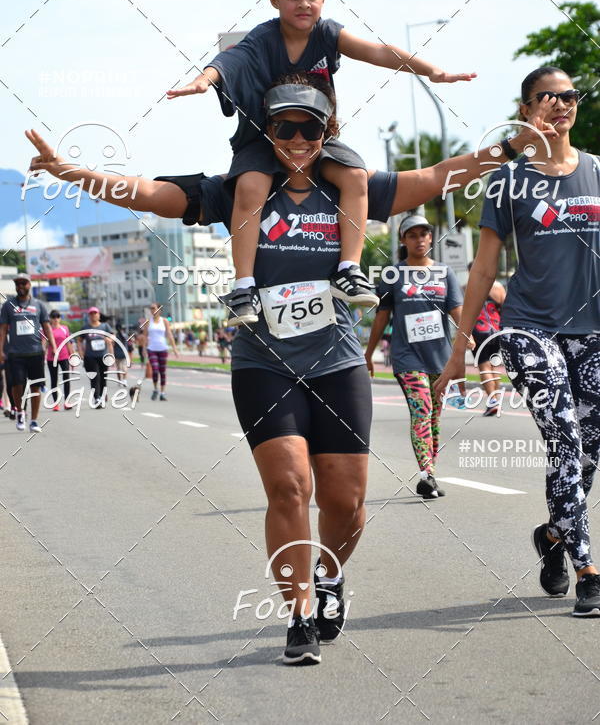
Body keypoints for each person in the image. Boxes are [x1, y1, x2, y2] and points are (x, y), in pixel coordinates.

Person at [26, 74, 553, 661]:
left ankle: (328, 576)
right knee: (288, 487)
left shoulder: (353, 188)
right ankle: (299, 612)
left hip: (336, 362)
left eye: (310, 127)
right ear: (267, 130)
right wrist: (69, 172)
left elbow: (435, 177)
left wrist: (508, 148)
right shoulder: (238, 190)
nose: (298, 139)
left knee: (347, 501)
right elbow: (149, 193)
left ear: (327, 131)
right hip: (263, 362)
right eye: (285, 127)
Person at [167, 0, 476, 325]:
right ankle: (244, 286)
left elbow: (378, 51)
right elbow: (227, 63)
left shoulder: (327, 33)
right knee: (250, 188)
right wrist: (205, 80)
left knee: (355, 176)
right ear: (274, 0)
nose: (303, 3)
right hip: (266, 139)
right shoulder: (262, 39)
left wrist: (432, 70)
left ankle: (348, 269)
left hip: (315, 136)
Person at [435, 67, 600, 617]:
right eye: (548, 98)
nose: (561, 105)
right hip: (530, 328)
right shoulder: (508, 182)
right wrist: (460, 349)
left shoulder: (599, 172)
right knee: (565, 439)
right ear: (527, 108)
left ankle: (554, 536)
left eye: (569, 97)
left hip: (592, 332)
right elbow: (484, 270)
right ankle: (588, 572)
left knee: (588, 453)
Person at [365, 215, 464, 499]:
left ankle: (430, 473)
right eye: (412, 235)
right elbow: (381, 317)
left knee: (434, 417)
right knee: (421, 411)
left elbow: (457, 312)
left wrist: (470, 340)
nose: (419, 239)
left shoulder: (445, 273)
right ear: (403, 240)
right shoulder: (392, 275)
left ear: (431, 238)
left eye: (424, 234)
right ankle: (425, 474)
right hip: (407, 356)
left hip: (440, 358)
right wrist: (369, 354)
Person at [0, 274, 56, 432]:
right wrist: (0, 350)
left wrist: (54, 347)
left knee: (35, 387)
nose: (20, 286)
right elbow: (3, 330)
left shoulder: (39, 305)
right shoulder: (8, 305)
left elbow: (47, 328)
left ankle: (34, 421)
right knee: (17, 385)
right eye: (17, 284)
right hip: (15, 353)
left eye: (23, 283)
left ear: (29, 285)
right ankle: (19, 411)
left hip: (35, 352)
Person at [467, 262, 506, 416]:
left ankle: (493, 401)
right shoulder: (498, 287)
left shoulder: (469, 288)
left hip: (479, 331)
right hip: (496, 330)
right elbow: (506, 307)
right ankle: (496, 399)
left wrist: (465, 334)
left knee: (484, 367)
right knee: (493, 366)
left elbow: (465, 312)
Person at [77, 307, 114, 409]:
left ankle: (102, 396)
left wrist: (109, 339)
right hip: (90, 357)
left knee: (103, 378)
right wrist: (80, 352)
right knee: (95, 377)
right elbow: (79, 340)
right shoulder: (85, 327)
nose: (93, 315)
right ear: (89, 316)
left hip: (103, 356)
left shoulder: (105, 326)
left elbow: (113, 337)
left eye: (95, 313)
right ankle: (97, 398)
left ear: (99, 315)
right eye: (91, 314)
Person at [142, 303, 178, 400]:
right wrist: (144, 349)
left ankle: (162, 393)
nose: (152, 310)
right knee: (155, 369)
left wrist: (174, 348)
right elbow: (145, 336)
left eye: (154, 308)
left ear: (159, 310)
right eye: (151, 309)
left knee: (162, 371)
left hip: (163, 348)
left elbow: (169, 334)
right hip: (152, 349)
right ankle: (155, 389)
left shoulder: (165, 321)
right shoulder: (148, 322)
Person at [46, 310, 76, 410]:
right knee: (54, 380)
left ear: (60, 318)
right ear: (50, 318)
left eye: (57, 317)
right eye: (53, 317)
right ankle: (55, 404)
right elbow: (45, 345)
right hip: (52, 358)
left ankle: (67, 402)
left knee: (66, 379)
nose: (55, 319)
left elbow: (69, 343)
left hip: (64, 357)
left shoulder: (65, 328)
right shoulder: (47, 329)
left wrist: (72, 356)